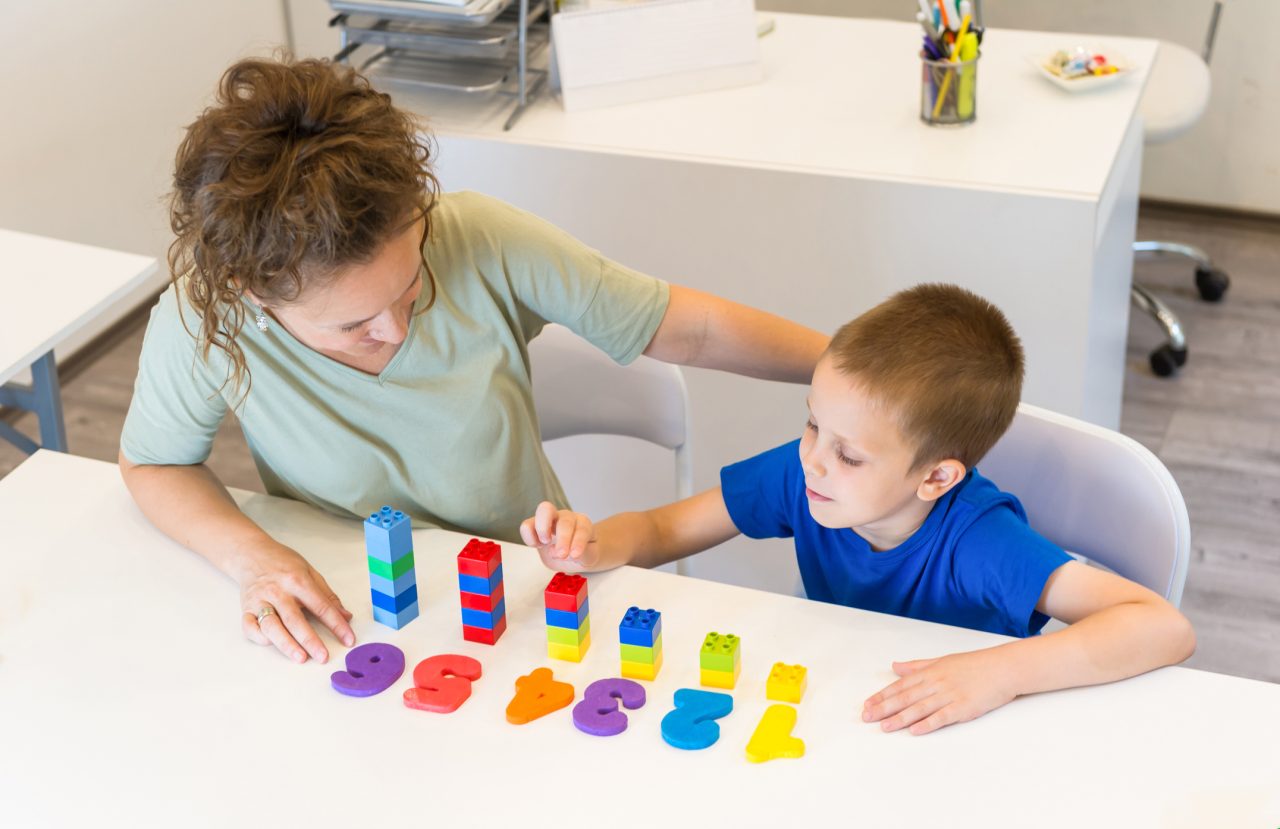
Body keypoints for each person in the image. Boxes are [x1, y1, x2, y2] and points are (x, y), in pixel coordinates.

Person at [117, 56, 828, 666]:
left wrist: (849, 370)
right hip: (362, 611)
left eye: (410, 282)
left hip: (532, 598)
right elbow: (154, 464)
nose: (395, 329)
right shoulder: (204, 318)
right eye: (353, 324)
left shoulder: (478, 237)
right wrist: (252, 556)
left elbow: (688, 329)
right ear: (251, 292)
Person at [520, 283, 1197, 735]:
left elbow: (1162, 627)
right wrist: (593, 545)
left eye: (849, 453)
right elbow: (665, 527)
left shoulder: (981, 541)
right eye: (813, 424)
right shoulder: (805, 473)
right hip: (843, 705)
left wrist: (1003, 671)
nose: (813, 458)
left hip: (956, 731)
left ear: (936, 476)